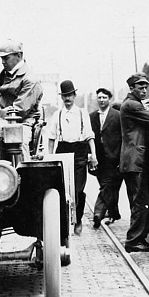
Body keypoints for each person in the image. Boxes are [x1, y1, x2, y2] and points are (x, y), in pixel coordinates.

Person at [46, 80, 98, 235]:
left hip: (80, 152)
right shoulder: (58, 114)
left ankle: (78, 219)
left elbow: (90, 136)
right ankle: (64, 221)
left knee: (79, 190)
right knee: (63, 189)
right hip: (62, 151)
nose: (67, 98)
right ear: (62, 97)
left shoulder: (82, 113)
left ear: (74, 95)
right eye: (64, 96)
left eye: (70, 95)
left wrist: (93, 155)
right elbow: (51, 138)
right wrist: (50, 157)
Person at [119, 73, 149, 253]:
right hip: (135, 160)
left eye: (146, 87)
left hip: (134, 160)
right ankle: (133, 240)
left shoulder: (132, 104)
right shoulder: (132, 105)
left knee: (140, 201)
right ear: (131, 88)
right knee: (140, 201)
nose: (144, 90)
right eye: (140, 87)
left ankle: (139, 238)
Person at [0, 39, 44, 160]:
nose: (2, 62)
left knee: (17, 143)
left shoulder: (30, 79)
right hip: (4, 119)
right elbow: (3, 94)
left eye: (6, 58)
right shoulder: (5, 74)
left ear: (19, 56)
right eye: (1, 59)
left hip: (23, 122)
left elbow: (19, 111)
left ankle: (22, 175)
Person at [89, 87, 122, 228]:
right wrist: (90, 156)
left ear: (109, 99)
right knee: (109, 187)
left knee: (106, 186)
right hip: (98, 158)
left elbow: (122, 137)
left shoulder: (117, 115)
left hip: (113, 157)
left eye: (104, 97)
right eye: (99, 97)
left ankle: (98, 213)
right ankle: (114, 213)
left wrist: (121, 157)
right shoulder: (91, 117)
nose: (102, 100)